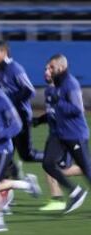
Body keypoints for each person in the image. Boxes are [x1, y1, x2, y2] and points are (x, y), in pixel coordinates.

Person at [0, 68, 42, 232]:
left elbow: (17, 125)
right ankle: (26, 184)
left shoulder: (1, 100)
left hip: (2, 149)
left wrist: (1, 134)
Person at [41, 54, 90, 214]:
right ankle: (75, 192)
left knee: (86, 169)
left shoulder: (71, 84)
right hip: (61, 134)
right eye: (48, 67)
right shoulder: (57, 85)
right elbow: (55, 109)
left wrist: (58, 101)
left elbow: (78, 110)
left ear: (61, 68)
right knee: (48, 163)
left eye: (51, 67)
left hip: (76, 134)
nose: (49, 70)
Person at [33, 63, 82, 211]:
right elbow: (52, 113)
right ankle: (57, 199)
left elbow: (74, 111)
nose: (46, 72)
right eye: (45, 69)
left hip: (66, 136)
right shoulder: (49, 91)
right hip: (55, 135)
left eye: (49, 69)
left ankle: (59, 199)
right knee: (49, 166)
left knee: (56, 168)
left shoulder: (65, 90)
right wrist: (38, 120)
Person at [0, 40, 43, 164]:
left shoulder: (15, 68)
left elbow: (29, 90)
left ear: (4, 52)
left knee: (27, 154)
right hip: (7, 118)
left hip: (21, 116)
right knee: (5, 153)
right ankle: (16, 180)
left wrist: (11, 102)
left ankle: (54, 158)